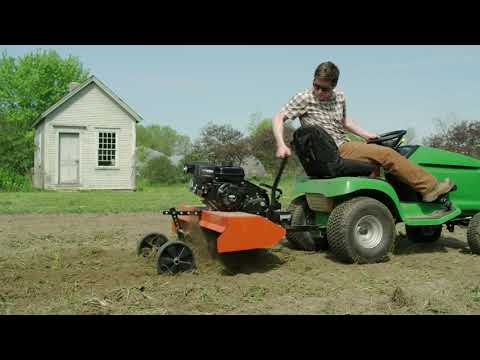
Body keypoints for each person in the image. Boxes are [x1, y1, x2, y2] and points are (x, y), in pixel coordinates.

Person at [272, 61, 454, 202]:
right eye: (316, 86)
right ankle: (430, 188)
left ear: (334, 85)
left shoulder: (340, 97)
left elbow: (343, 121)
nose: (318, 91)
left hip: (344, 143)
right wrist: (281, 144)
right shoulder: (304, 97)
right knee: (388, 155)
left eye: (324, 89)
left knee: (374, 162)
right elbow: (279, 117)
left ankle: (370, 206)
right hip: (333, 149)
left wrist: (366, 134)